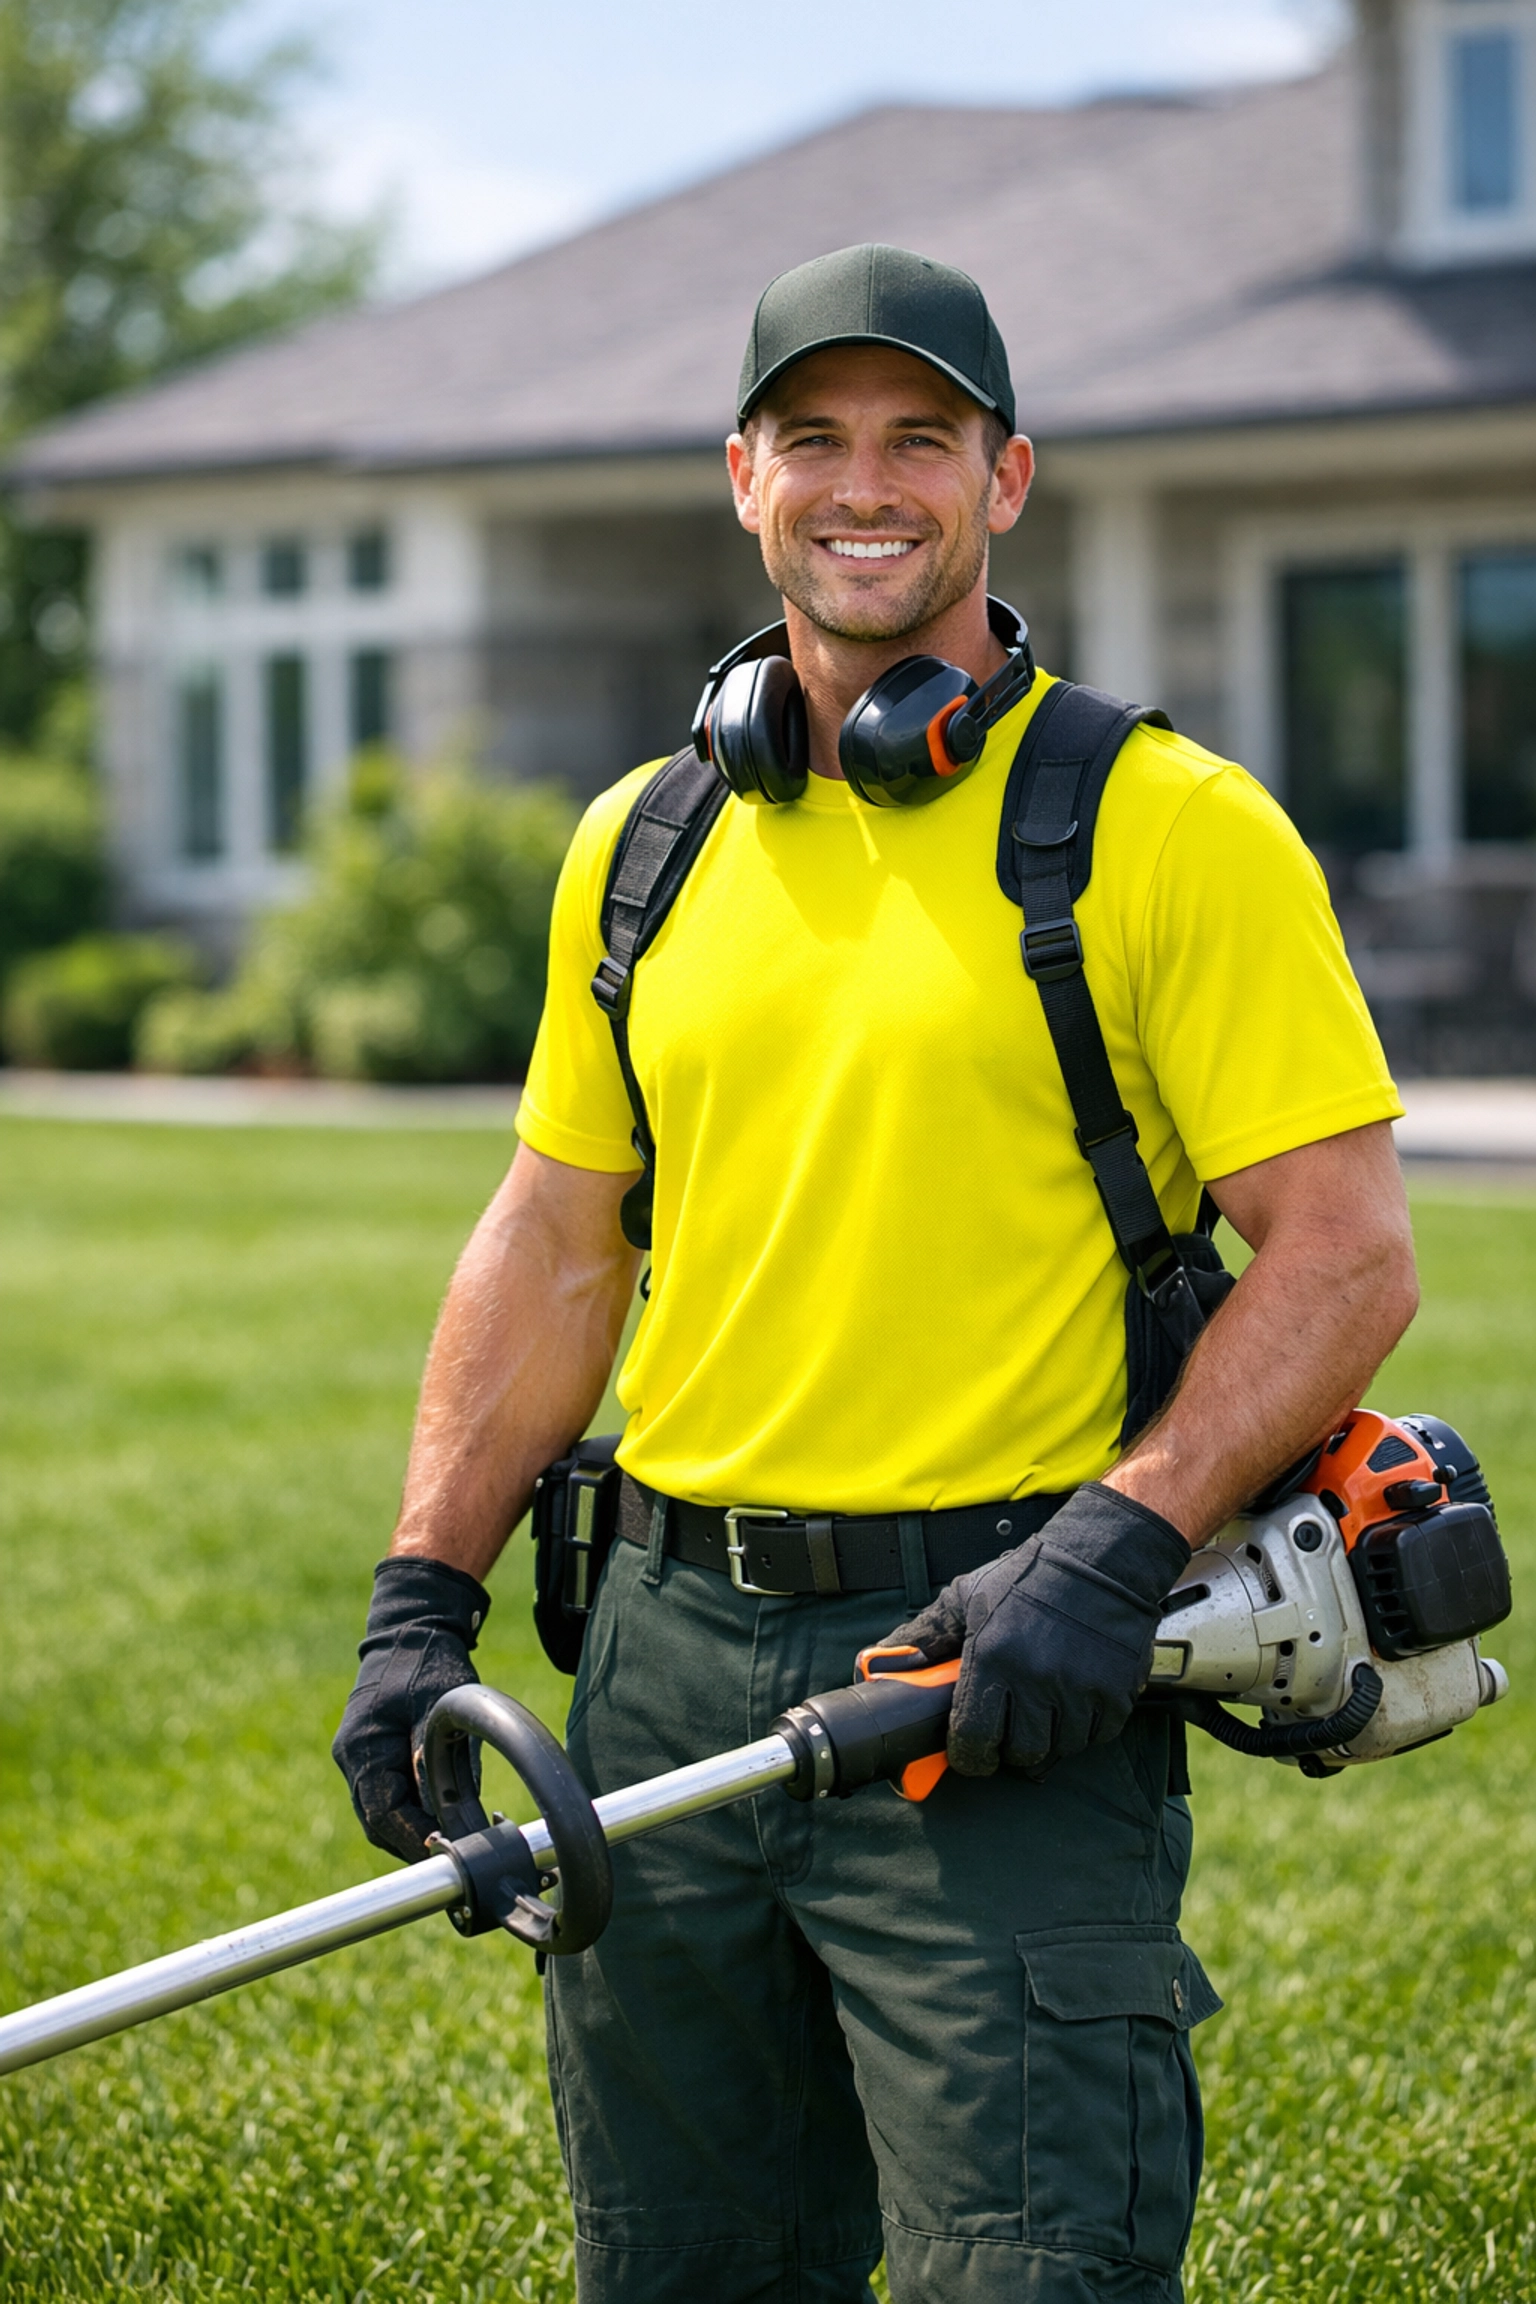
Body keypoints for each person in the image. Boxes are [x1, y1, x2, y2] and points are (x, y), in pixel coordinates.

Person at [333, 244, 1416, 2303]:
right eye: (814, 438)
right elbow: (558, 1237)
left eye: (922, 437)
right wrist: (420, 1593)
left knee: (1033, 2270)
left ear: (1009, 479)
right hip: (657, 1674)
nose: (866, 483)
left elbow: (1349, 1257)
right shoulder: (645, 844)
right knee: (683, 2264)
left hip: (996, 1670)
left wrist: (1117, 1548)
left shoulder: (1163, 826)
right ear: (742, 476)